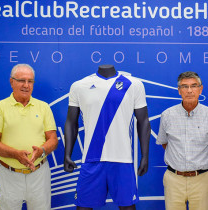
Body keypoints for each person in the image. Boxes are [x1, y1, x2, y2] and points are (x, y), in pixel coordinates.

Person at [64, 64, 151, 210]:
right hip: (91, 158)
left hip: (122, 159)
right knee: (83, 207)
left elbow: (144, 122)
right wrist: (67, 154)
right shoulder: (79, 86)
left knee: (127, 207)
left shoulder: (134, 84)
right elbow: (71, 123)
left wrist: (145, 156)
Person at [0, 64, 58, 210]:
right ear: (12, 82)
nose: (26, 85)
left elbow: (53, 139)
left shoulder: (43, 107)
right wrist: (15, 154)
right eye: (21, 80)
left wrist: (42, 151)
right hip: (9, 174)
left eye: (30, 81)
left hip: (39, 174)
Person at [156, 71, 208, 210]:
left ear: (201, 89)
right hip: (174, 179)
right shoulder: (167, 115)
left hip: (202, 180)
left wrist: (199, 160)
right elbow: (164, 143)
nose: (190, 90)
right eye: (185, 87)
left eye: (194, 86)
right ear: (179, 90)